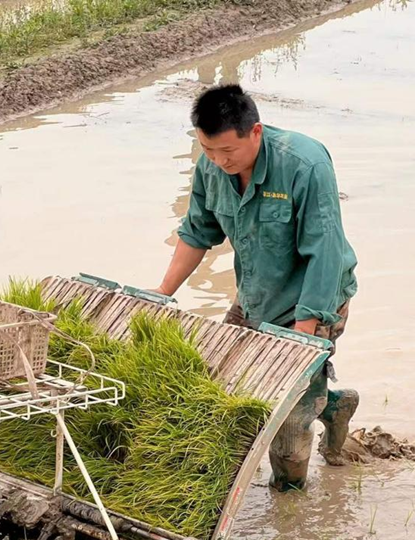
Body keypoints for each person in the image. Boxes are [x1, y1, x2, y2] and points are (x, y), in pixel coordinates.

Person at [154, 84, 359, 491]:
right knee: (227, 396)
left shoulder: (304, 165)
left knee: (286, 434)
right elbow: (197, 233)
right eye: (208, 151)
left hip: (313, 302)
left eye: (227, 152)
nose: (218, 161)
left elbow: (326, 252)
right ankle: (333, 404)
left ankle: (290, 504)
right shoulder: (211, 168)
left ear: (255, 132)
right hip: (255, 297)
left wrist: (302, 340)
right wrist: (161, 295)